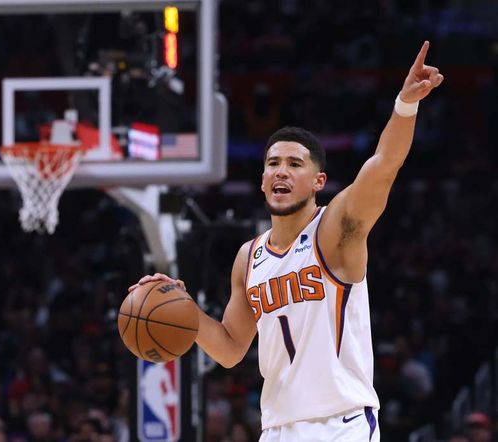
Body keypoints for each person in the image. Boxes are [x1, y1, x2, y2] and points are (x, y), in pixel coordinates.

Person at [129, 41, 444, 441]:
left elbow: (383, 167)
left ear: (318, 182)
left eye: (295, 164)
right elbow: (228, 349)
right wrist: (180, 309)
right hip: (276, 429)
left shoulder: (335, 230)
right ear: (262, 180)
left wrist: (405, 103)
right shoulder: (249, 257)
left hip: (340, 424)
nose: (282, 171)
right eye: (273, 163)